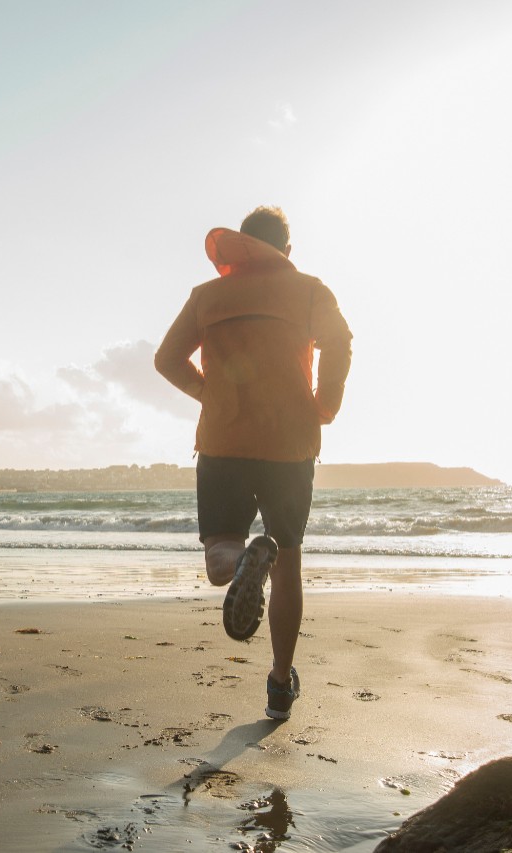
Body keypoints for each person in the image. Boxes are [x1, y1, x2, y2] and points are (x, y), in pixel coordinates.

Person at [154, 205, 352, 720]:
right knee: (288, 559)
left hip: (223, 439)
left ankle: (239, 561)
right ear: (286, 251)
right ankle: (280, 685)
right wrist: (324, 404)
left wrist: (211, 394)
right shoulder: (310, 289)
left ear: (240, 248)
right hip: (290, 442)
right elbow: (339, 341)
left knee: (220, 549)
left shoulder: (207, 296)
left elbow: (165, 359)